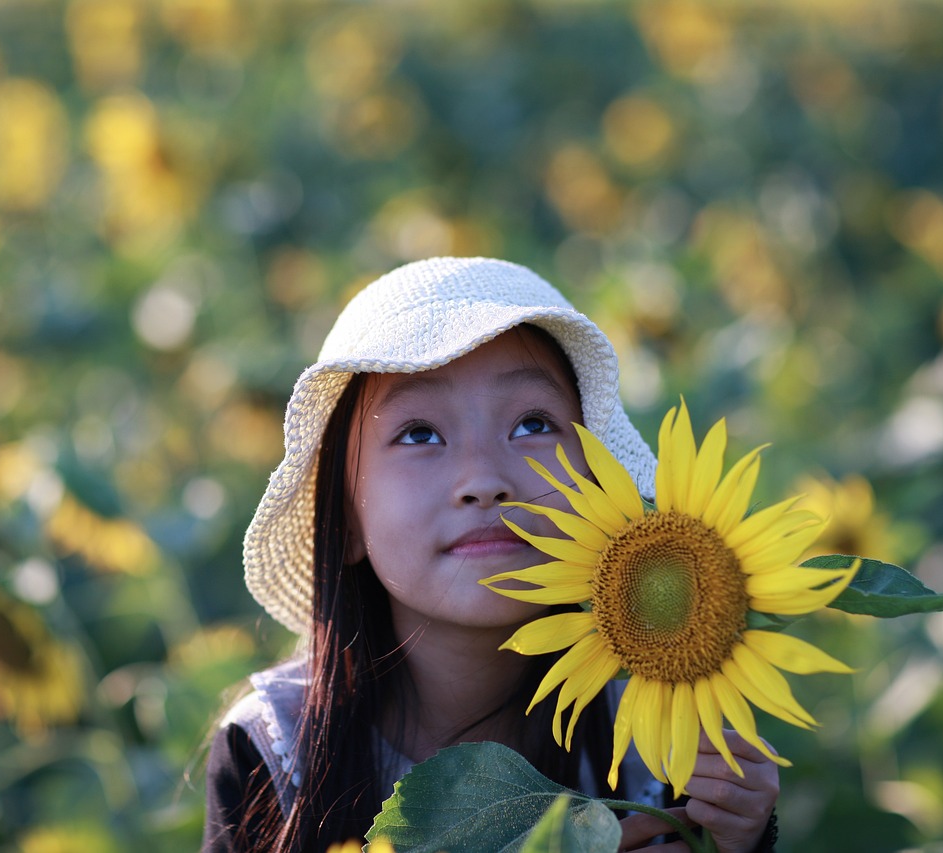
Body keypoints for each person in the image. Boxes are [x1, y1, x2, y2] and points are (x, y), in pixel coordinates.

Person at [202, 257, 780, 852]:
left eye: (532, 424)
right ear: (346, 520)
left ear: (600, 481)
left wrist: (737, 834)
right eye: (420, 434)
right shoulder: (276, 749)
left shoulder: (661, 719)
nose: (483, 480)